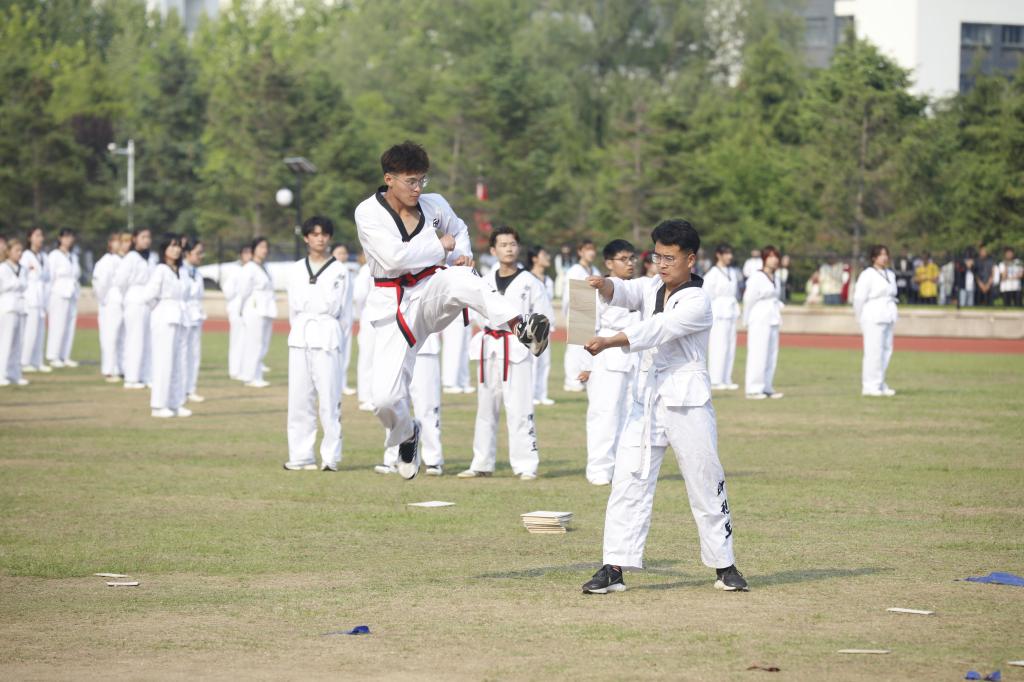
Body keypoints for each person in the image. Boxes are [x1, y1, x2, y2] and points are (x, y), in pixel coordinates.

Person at [354, 141, 549, 480]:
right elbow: (394, 259)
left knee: (461, 278)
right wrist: (439, 245)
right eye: (411, 181)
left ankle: (521, 325)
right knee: (383, 399)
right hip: (392, 305)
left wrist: (459, 255)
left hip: (431, 289)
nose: (418, 188)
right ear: (389, 179)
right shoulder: (367, 212)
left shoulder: (435, 204)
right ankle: (408, 433)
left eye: (422, 180)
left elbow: (458, 231)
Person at [579, 219, 746, 595]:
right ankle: (614, 565)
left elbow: (657, 329)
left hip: (687, 401)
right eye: (657, 256)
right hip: (646, 398)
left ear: (691, 259)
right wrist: (603, 285)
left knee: (704, 480)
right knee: (628, 480)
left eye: (670, 258)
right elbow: (624, 290)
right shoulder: (651, 285)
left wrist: (609, 341)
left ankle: (724, 564)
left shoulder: (698, 301)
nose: (662, 264)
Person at [458, 226, 545, 481]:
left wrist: (529, 337)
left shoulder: (531, 282)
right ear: (493, 250)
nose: (509, 249)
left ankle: (526, 464)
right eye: (503, 245)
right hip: (489, 347)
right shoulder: (484, 280)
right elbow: (475, 312)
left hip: (516, 347)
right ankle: (481, 462)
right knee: (485, 408)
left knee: (519, 407)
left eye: (513, 244)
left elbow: (542, 319)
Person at [284, 217, 349, 471]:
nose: (319, 238)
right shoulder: (296, 269)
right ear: (306, 238)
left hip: (328, 335)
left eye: (324, 234)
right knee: (299, 399)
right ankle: (301, 455)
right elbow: (292, 310)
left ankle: (330, 456)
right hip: (302, 334)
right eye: (314, 234)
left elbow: (345, 314)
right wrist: (298, 331)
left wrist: (340, 342)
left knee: (329, 399)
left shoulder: (340, 270)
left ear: (329, 238)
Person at [578, 239, 640, 486]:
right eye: (623, 259)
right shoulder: (590, 288)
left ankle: (624, 468)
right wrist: (584, 366)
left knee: (632, 416)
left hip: (635, 357)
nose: (630, 263)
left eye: (632, 258)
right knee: (604, 414)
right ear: (609, 263)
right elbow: (581, 329)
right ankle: (599, 469)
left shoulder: (639, 287)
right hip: (604, 357)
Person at [376, 334, 445, 476]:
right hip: (396, 346)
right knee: (395, 402)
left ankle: (433, 459)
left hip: (424, 347)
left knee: (427, 404)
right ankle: (393, 457)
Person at [144, 234, 189, 418]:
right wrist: (161, 309)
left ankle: (175, 403)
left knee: (178, 363)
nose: (176, 250)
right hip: (164, 318)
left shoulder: (181, 271)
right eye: (172, 246)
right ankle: (158, 405)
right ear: (164, 249)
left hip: (180, 318)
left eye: (178, 246)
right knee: (163, 362)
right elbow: (148, 296)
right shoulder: (160, 270)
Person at [853, 245, 898, 397]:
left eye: (886, 254)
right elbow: (859, 298)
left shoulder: (890, 274)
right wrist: (859, 317)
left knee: (886, 350)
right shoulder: (867, 274)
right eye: (880, 255)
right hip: (873, 315)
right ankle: (869, 385)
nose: (884, 258)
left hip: (888, 314)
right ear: (874, 257)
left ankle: (880, 383)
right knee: (873, 352)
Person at [743, 246, 784, 400]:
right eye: (770, 256)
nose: (774, 260)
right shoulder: (757, 277)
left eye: (776, 256)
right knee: (758, 353)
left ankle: (767, 387)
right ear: (764, 258)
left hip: (773, 317)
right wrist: (746, 318)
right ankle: (753, 389)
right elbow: (749, 299)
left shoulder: (776, 278)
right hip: (759, 318)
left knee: (771, 354)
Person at [115, 228, 154, 389]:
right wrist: (130, 296)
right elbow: (120, 281)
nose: (146, 240)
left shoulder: (151, 257)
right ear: (135, 239)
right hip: (135, 299)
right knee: (134, 339)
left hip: (148, 300)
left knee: (147, 341)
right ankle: (131, 378)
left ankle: (145, 375)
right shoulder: (130, 257)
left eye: (148, 237)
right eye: (143, 237)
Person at [236, 237, 277, 388]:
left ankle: (257, 374)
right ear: (253, 250)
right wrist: (242, 309)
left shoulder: (264, 267)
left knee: (263, 344)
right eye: (261, 247)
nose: (264, 250)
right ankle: (249, 376)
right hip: (254, 308)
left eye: (266, 247)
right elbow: (243, 290)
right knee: (254, 343)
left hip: (266, 307)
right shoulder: (249, 268)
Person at [562, 238, 600, 392]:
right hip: (578, 311)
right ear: (580, 252)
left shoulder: (595, 270)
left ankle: (584, 379)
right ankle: (571, 381)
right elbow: (567, 296)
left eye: (593, 249)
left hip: (592, 312)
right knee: (575, 349)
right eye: (587, 249)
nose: (591, 252)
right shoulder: (575, 270)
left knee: (588, 349)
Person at [703, 243, 740, 391]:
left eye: (730, 253)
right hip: (718, 312)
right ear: (718, 255)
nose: (730, 256)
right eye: (726, 253)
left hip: (730, 311)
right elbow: (707, 295)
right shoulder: (712, 274)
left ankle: (726, 378)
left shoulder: (732, 271)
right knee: (718, 345)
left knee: (730, 346)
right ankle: (716, 379)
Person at [92, 233, 126, 382]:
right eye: (117, 241)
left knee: (121, 337)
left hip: (121, 301)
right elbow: (100, 284)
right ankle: (109, 370)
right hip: (110, 302)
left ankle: (119, 368)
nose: (120, 244)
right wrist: (104, 300)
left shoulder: (123, 260)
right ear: (110, 243)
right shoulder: (106, 261)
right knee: (110, 336)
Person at [45, 228, 81, 368]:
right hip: (58, 293)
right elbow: (50, 277)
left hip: (72, 292)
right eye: (66, 237)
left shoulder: (73, 256)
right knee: (57, 325)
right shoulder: (54, 255)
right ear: (60, 238)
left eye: (70, 237)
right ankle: (53, 355)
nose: (68, 240)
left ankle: (65, 355)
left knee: (69, 325)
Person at [528, 245, 556, 407]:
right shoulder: (528, 278)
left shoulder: (549, 281)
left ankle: (542, 394)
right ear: (534, 258)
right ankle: (530, 394)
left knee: (545, 362)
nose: (547, 258)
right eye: (544, 255)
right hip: (532, 325)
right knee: (533, 363)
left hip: (546, 326)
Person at [19, 227, 50, 374]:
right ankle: (25, 361)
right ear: (29, 238)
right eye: (37, 235)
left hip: (41, 298)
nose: (40, 238)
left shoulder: (44, 256)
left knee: (40, 331)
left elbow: (47, 277)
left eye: (41, 235)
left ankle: (37, 361)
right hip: (30, 298)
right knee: (29, 331)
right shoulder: (25, 256)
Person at [0, 238, 29, 387]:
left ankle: (14, 373)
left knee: (18, 343)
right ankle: (1, 373)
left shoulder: (23, 269)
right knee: (5, 342)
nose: (19, 253)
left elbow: (24, 285)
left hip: (21, 307)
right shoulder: (3, 268)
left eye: (21, 250)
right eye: (16, 250)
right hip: (7, 307)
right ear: (8, 252)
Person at [181, 238, 206, 403]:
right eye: (198, 253)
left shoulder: (198, 273)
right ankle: (181, 389)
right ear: (187, 253)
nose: (201, 256)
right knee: (182, 355)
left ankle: (191, 388)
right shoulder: (180, 271)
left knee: (194, 354)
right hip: (183, 316)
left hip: (196, 316)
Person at [222, 245, 253, 380]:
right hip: (237, 309)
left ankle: (245, 369)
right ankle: (234, 370)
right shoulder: (236, 270)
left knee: (248, 340)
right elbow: (227, 290)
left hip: (250, 310)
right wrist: (237, 301)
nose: (249, 255)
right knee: (237, 340)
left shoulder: (254, 269)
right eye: (246, 253)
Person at [331, 243, 357, 396]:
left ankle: (342, 383)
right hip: (334, 317)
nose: (342, 256)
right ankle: (334, 383)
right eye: (339, 252)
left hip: (347, 316)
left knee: (345, 352)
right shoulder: (331, 271)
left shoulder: (348, 270)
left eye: (344, 253)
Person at [352, 252, 375, 411]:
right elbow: (358, 297)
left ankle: (376, 394)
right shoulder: (366, 270)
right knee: (367, 357)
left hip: (385, 316)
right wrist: (362, 315)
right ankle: (366, 396)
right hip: (370, 315)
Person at [441, 315, 473, 395]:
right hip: (453, 317)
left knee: (465, 352)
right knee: (452, 349)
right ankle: (449, 384)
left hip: (467, 316)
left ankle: (463, 383)